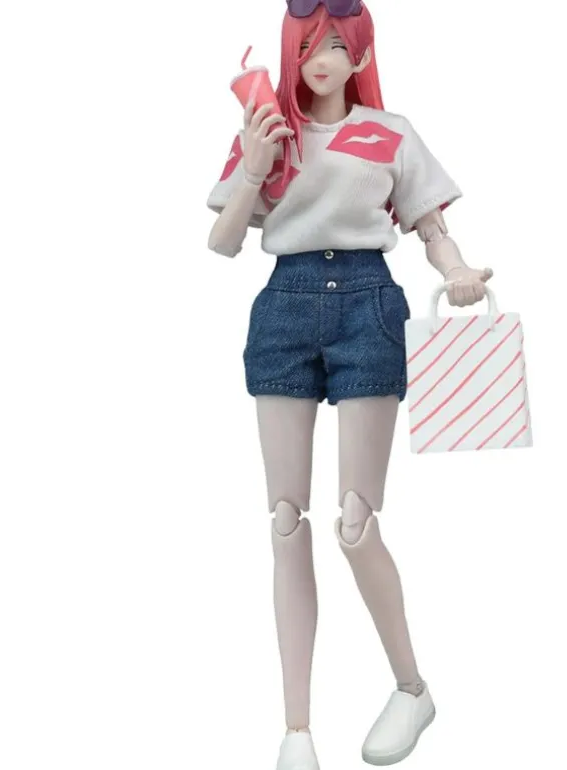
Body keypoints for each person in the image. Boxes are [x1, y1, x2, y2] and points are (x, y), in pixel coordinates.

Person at [206, 2, 493, 768]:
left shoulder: (390, 130)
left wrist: (459, 272)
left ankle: (411, 689)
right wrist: (255, 165)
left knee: (357, 521)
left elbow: (432, 227)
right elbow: (223, 242)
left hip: (368, 305)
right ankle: (296, 729)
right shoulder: (270, 130)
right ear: (291, 53)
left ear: (361, 52)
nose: (324, 57)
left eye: (339, 43)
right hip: (285, 306)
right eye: (311, 45)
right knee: (283, 519)